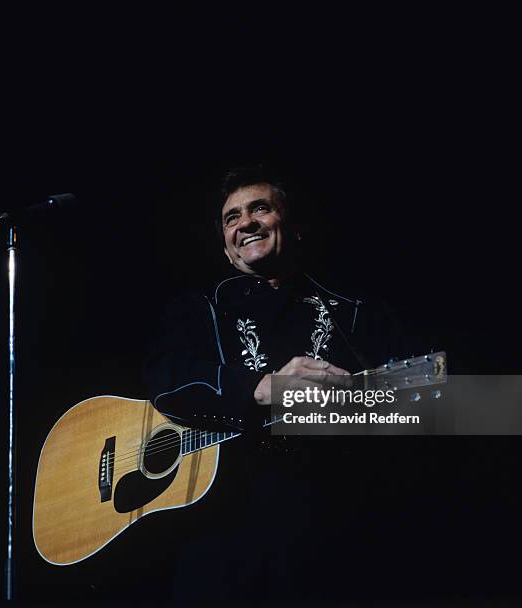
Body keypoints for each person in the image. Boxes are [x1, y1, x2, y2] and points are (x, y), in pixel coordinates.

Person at [143, 166, 405, 602]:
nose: (245, 222)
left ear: (294, 227)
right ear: (227, 248)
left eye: (259, 209)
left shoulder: (356, 310)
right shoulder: (200, 307)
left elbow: (424, 409)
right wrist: (261, 388)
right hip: (221, 533)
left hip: (326, 526)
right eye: (232, 218)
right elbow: (166, 380)